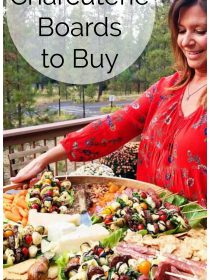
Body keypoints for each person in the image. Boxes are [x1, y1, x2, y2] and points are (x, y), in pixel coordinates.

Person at [11, 0, 207, 207]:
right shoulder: (166, 89)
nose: (186, 41)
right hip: (151, 225)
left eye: (200, 31)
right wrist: (44, 159)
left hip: (200, 232)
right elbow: (112, 127)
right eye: (181, 30)